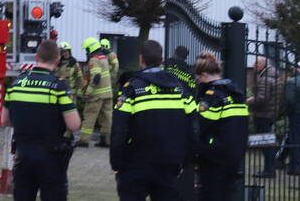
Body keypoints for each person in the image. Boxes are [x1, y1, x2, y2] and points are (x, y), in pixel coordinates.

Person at [111, 39, 195, 200]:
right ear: (162, 60)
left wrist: (116, 164)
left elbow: (119, 131)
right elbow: (194, 126)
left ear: (140, 59)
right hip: (169, 163)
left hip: (135, 165)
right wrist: (185, 159)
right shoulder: (179, 90)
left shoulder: (132, 89)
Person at [3, 40, 82, 201]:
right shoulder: (59, 87)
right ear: (57, 60)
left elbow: (5, 120)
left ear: (36, 57)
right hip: (51, 157)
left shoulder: (16, 84)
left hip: (23, 155)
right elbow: (73, 125)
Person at [194, 52, 248, 201]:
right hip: (234, 157)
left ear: (204, 75)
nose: (196, 80)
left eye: (197, 77)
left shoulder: (212, 97)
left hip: (214, 159)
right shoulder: (236, 95)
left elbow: (199, 128)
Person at [76, 37, 113, 148]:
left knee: (89, 116)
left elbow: (96, 76)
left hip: (97, 95)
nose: (86, 52)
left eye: (87, 49)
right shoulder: (104, 58)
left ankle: (84, 140)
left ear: (91, 48)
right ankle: (106, 141)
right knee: (106, 118)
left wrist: (88, 91)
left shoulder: (94, 59)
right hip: (108, 94)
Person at [246, 55, 278, 178]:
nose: (254, 66)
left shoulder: (264, 79)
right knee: (268, 141)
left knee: (265, 142)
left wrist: (248, 101)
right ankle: (270, 168)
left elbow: (262, 98)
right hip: (269, 113)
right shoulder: (271, 76)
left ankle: (269, 170)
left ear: (262, 65)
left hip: (263, 114)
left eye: (256, 63)